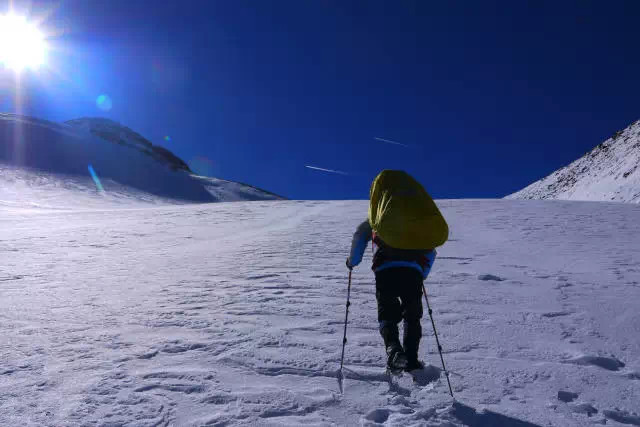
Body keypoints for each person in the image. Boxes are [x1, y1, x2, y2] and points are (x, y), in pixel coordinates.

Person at [346, 170, 444, 372]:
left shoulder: (377, 219)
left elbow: (359, 235)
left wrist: (352, 262)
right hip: (413, 272)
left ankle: (393, 351)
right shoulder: (415, 224)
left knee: (387, 312)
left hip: (385, 269)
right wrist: (422, 273)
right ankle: (412, 359)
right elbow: (431, 251)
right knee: (412, 314)